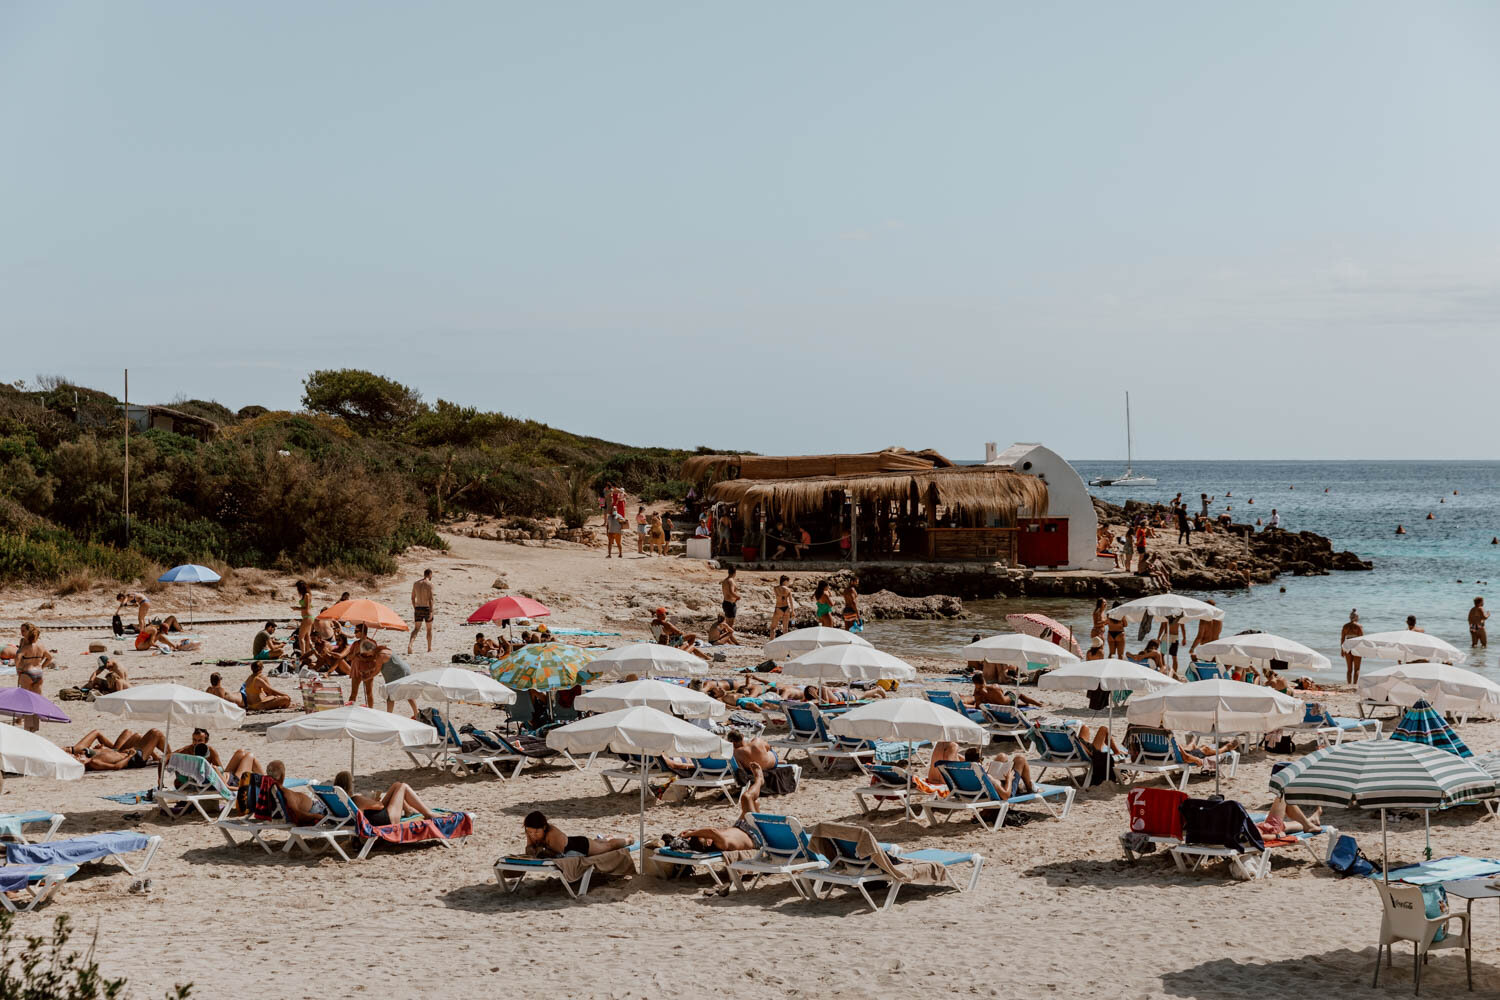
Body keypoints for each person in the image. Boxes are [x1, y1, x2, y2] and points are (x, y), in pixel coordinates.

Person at [341, 637, 418, 715]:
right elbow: (378, 668)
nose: (367, 655)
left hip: (397, 673)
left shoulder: (380, 655)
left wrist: (367, 677)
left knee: (390, 696)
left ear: (370, 650)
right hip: (403, 670)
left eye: (366, 653)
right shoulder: (382, 650)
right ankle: (416, 713)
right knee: (407, 693)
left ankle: (389, 715)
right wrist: (367, 672)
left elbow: (376, 671)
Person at [334, 770, 435, 825]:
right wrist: (372, 801)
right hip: (388, 819)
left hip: (374, 817)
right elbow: (380, 806)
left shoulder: (338, 802)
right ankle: (428, 814)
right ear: (349, 786)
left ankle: (408, 810)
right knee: (402, 786)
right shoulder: (356, 799)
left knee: (396, 785)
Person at [522, 810, 629, 857]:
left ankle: (628, 840)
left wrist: (541, 850)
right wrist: (530, 849)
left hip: (580, 846)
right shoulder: (530, 831)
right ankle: (604, 838)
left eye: (536, 832)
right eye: (530, 832)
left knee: (609, 846)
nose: (533, 835)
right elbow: (529, 847)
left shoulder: (552, 833)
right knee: (599, 843)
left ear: (544, 827)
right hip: (570, 841)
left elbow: (558, 855)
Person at [14, 624, 52, 730]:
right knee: (36, 698)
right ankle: (33, 724)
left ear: (29, 632)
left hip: (27, 672)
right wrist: (42, 667)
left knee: (23, 697)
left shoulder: (25, 646)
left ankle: (24, 721)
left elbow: (17, 657)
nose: (21, 632)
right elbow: (50, 657)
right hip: (38, 673)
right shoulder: (40, 645)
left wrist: (18, 669)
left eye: (23, 631)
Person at [963, 746, 1036, 799]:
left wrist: (985, 770)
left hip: (978, 793)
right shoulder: (988, 777)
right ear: (980, 761)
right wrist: (1009, 779)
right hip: (1003, 791)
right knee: (1020, 759)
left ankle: (1024, 787)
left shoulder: (964, 773)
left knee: (1001, 757)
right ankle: (1030, 788)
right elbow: (1006, 795)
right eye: (982, 759)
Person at [1255, 797, 1322, 837]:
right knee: (1283, 794)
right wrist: (1277, 836)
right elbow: (1260, 837)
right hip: (1270, 829)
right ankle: (1308, 824)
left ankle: (1310, 821)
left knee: (1285, 826)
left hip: (1267, 828)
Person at [969, 672, 1041, 708]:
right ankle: (1039, 704)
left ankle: (1027, 704)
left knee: (1007, 697)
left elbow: (977, 706)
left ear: (975, 683)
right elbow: (1003, 702)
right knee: (1018, 693)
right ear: (983, 680)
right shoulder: (994, 687)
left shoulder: (977, 692)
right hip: (1007, 704)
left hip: (997, 707)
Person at [409, 569, 434, 654]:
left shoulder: (416, 584)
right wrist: (431, 611)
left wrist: (415, 608)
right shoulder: (429, 584)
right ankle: (429, 648)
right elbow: (430, 599)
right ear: (430, 574)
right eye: (431, 575)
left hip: (418, 607)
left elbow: (412, 598)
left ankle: (410, 645)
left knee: (416, 629)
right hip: (427, 608)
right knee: (429, 629)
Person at [1340, 609, 1364, 685]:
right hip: (1356, 646)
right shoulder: (1359, 626)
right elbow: (1362, 639)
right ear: (1356, 617)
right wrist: (1364, 650)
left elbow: (1342, 638)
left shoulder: (1345, 626)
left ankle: (1349, 684)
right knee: (1357, 669)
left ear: (1350, 617)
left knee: (1349, 669)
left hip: (1347, 645)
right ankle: (1354, 685)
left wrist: (1342, 650)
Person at [291, 580, 313, 657]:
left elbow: (306, 608)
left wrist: (296, 608)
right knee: (307, 637)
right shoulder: (307, 595)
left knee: (301, 638)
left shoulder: (306, 595)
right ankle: (308, 655)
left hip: (307, 617)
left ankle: (303, 655)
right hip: (308, 617)